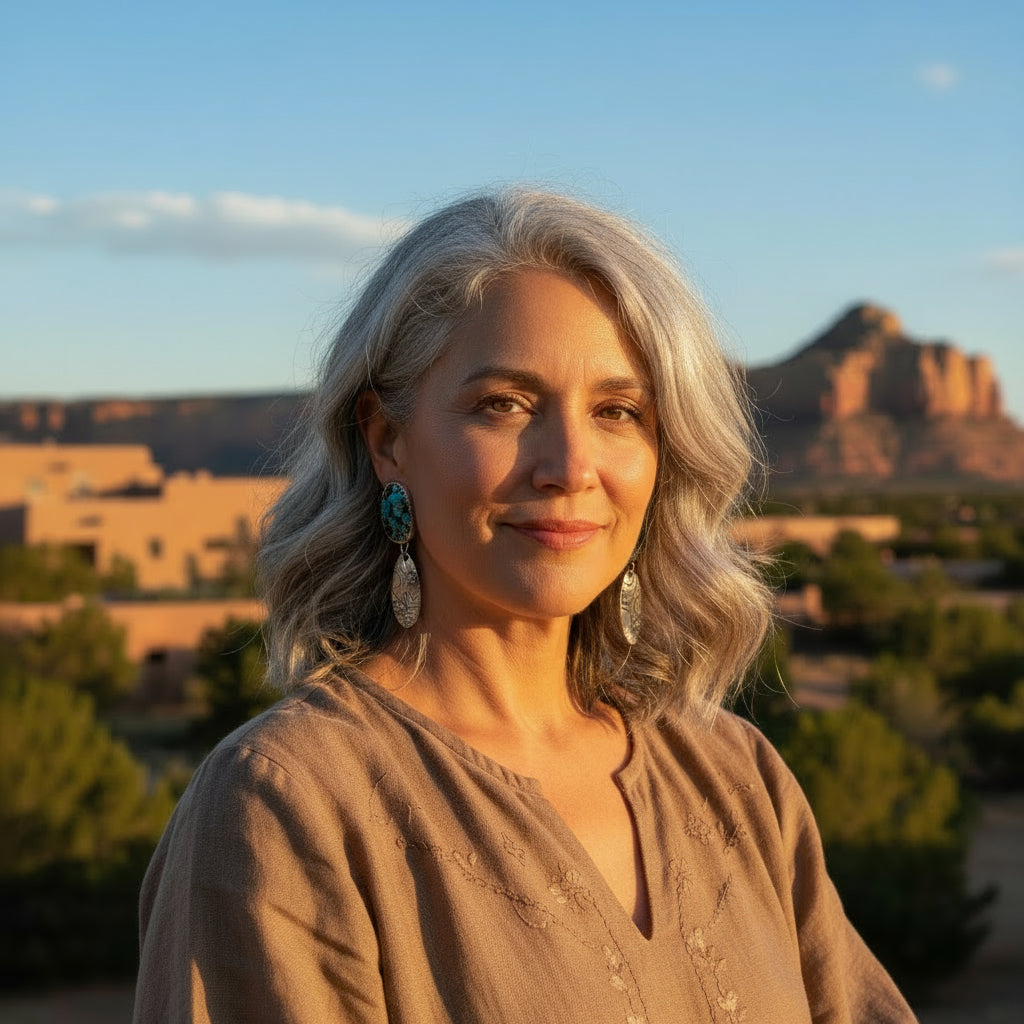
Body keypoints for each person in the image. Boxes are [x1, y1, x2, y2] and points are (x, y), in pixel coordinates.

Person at [133, 188, 917, 1023]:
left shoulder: (732, 774)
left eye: (619, 411)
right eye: (504, 404)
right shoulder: (290, 803)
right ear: (386, 438)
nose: (569, 466)